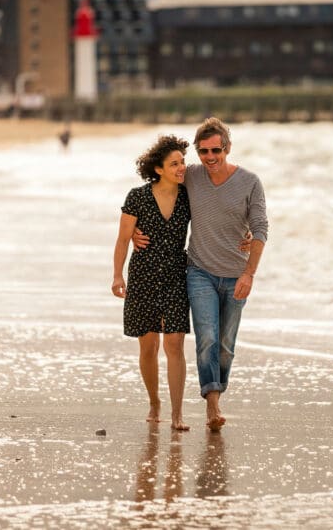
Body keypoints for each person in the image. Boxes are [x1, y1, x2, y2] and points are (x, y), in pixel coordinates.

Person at [134, 117, 268, 432]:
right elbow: (158, 185)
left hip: (236, 274)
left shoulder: (250, 182)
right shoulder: (191, 176)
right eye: (204, 151)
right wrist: (135, 227)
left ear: (228, 148)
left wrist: (250, 273)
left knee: (225, 344)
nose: (210, 157)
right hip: (199, 271)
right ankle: (212, 404)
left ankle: (215, 393)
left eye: (216, 151)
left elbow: (260, 227)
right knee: (207, 337)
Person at [112, 134, 191, 431]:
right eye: (174, 164)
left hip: (175, 275)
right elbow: (122, 240)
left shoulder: (188, 195)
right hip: (143, 275)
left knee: (174, 342)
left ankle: (177, 414)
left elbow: (213, 219)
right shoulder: (137, 197)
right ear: (158, 169)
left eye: (183, 162)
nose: (181, 168)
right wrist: (117, 275)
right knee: (148, 346)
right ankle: (154, 401)